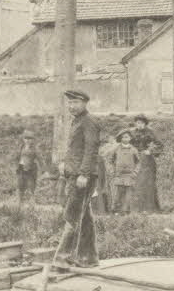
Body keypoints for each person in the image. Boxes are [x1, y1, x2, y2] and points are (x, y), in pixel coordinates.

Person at [54, 90, 100, 269]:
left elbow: (91, 150)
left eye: (75, 103)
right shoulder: (77, 121)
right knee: (85, 218)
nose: (71, 106)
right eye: (70, 103)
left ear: (85, 103)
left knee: (72, 216)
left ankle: (62, 259)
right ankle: (88, 258)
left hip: (82, 177)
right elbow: (75, 150)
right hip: (74, 174)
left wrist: (84, 174)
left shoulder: (89, 122)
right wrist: (65, 165)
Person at [129, 115, 160, 213]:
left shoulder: (150, 133)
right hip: (135, 160)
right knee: (137, 183)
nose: (139, 125)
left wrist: (150, 151)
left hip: (147, 161)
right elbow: (127, 143)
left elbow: (159, 144)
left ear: (145, 124)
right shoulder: (132, 133)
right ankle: (136, 208)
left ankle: (149, 208)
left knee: (147, 183)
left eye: (141, 123)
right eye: (137, 123)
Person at [110, 130, 139, 214]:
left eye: (127, 137)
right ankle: (115, 210)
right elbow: (110, 160)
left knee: (128, 193)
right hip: (119, 175)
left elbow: (138, 162)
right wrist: (112, 171)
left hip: (129, 175)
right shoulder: (116, 149)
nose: (125, 139)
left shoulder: (134, 150)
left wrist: (135, 172)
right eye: (123, 137)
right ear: (120, 138)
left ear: (130, 138)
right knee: (118, 193)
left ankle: (125, 211)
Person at [14, 129, 40, 204]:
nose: (27, 140)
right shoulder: (21, 147)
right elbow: (16, 157)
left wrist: (44, 169)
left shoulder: (35, 148)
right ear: (23, 139)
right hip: (21, 168)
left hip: (30, 169)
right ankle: (19, 202)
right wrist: (17, 165)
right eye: (26, 138)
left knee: (31, 185)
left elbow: (40, 158)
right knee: (20, 185)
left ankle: (32, 202)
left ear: (33, 140)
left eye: (30, 138)